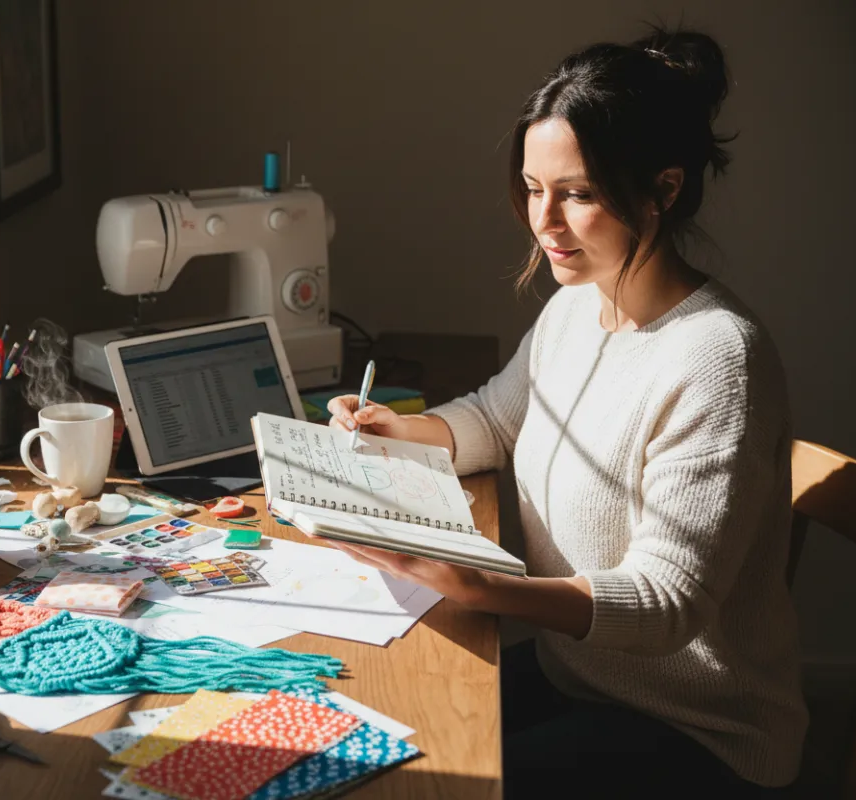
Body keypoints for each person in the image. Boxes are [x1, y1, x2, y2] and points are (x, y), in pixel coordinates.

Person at [327, 25, 806, 799]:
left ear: (665, 189)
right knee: (377, 729)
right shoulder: (577, 306)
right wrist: (395, 429)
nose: (543, 221)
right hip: (581, 680)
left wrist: (479, 585)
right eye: (532, 187)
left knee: (422, 784)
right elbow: (496, 419)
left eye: (578, 194)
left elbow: (666, 603)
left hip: (697, 733)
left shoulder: (719, 359)